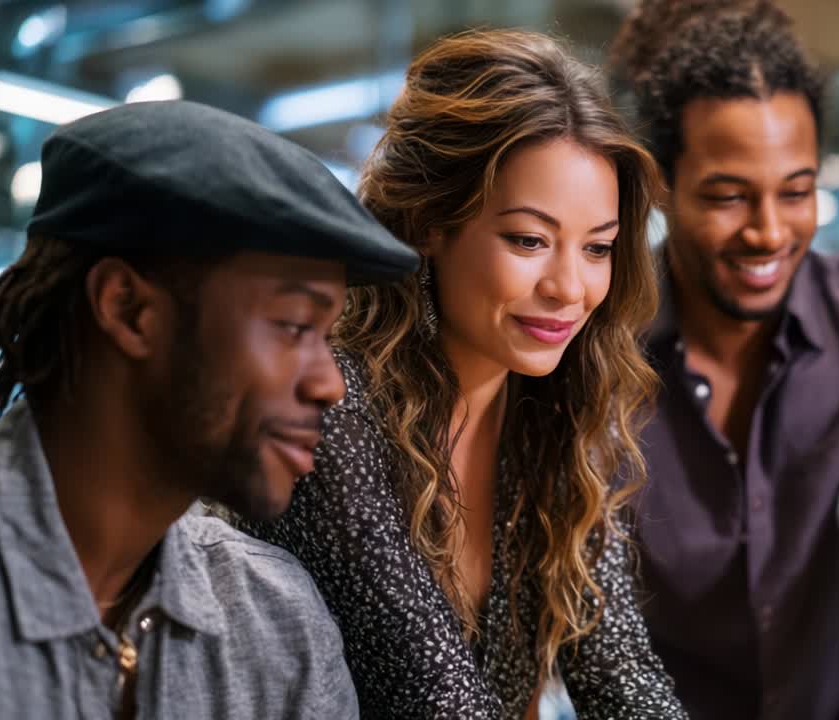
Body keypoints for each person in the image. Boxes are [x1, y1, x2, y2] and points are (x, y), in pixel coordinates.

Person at [236, 29, 687, 720]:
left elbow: (623, 676)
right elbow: (434, 696)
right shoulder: (333, 404)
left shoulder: (558, 422)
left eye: (597, 248)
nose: (570, 287)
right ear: (427, 223)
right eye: (529, 240)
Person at [0, 100, 419, 718]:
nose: (332, 386)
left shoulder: (276, 625)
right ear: (128, 309)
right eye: (294, 326)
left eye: (328, 337)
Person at [609, 2, 839, 718]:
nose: (769, 232)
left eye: (796, 193)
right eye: (729, 197)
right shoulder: (598, 350)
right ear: (662, 188)